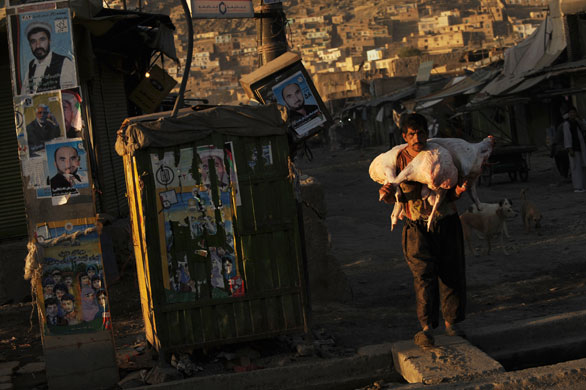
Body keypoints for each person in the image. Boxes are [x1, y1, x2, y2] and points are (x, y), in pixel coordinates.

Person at [378, 113, 468, 349]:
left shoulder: (441, 155)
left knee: (451, 273)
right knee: (423, 275)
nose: (416, 137)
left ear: (427, 134)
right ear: (404, 136)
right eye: (411, 134)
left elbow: (452, 192)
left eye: (420, 133)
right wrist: (387, 196)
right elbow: (394, 199)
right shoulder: (397, 162)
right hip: (415, 226)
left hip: (446, 220)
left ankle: (452, 324)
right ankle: (426, 328)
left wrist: (459, 190)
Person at [21, 21, 76, 95]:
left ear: (49, 41)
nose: (38, 46)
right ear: (30, 45)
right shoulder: (31, 66)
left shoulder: (64, 63)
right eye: (33, 41)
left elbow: (69, 95)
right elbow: (24, 95)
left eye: (42, 39)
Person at [561, 107, 586, 192]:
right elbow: (567, 137)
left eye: (574, 112)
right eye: (571, 112)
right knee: (575, 167)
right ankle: (578, 186)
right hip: (573, 149)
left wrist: (580, 118)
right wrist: (570, 148)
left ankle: (582, 185)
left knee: (581, 167)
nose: (573, 114)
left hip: (580, 148)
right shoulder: (566, 124)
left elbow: (584, 127)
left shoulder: (577, 122)